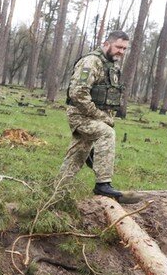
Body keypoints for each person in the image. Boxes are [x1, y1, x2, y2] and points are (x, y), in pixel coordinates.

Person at [54, 30, 130, 199]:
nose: (121, 52)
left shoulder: (110, 65)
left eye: (124, 49)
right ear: (106, 44)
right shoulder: (91, 62)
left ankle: (57, 192)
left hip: (92, 116)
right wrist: (101, 117)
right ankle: (102, 184)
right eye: (118, 47)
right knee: (106, 133)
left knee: (77, 155)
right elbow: (78, 94)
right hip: (80, 115)